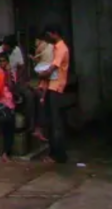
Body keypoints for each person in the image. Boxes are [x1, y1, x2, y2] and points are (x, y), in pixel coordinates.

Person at [0, 34, 36, 144]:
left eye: (6, 46)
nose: (4, 47)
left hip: (14, 79)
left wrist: (18, 78)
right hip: (3, 82)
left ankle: (31, 125)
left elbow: (21, 66)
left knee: (29, 94)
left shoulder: (16, 51)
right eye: (3, 45)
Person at [42, 24, 70, 163]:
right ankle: (54, 153)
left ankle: (58, 155)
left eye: (49, 34)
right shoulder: (55, 48)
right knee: (52, 122)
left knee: (56, 122)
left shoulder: (61, 49)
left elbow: (52, 68)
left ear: (55, 34)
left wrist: (42, 73)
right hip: (51, 86)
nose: (48, 37)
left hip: (56, 87)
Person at [0, 51, 17, 162]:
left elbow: (11, 87)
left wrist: (8, 73)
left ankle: (6, 152)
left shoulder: (10, 72)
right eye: (0, 61)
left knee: (10, 125)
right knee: (7, 118)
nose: (2, 63)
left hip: (9, 102)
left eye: (4, 61)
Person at [31, 37, 55, 142]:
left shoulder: (46, 48)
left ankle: (39, 130)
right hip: (45, 84)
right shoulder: (49, 48)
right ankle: (39, 130)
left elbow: (43, 72)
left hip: (48, 82)